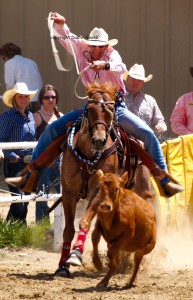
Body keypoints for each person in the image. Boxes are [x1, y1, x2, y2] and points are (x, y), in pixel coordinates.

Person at [5, 12, 183, 198]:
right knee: (52, 131)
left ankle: (164, 180)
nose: (97, 49)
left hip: (115, 108)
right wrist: (60, 25)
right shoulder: (81, 48)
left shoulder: (112, 54)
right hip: (91, 107)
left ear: (106, 46)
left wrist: (104, 65)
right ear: (88, 44)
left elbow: (121, 67)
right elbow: (67, 38)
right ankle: (29, 174)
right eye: (94, 46)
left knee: (147, 133)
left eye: (100, 46)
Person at [0, 82, 37, 223]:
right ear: (14, 98)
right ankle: (14, 228)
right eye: (20, 96)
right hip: (14, 164)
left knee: (25, 200)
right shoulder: (8, 117)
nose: (23, 99)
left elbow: (33, 138)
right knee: (19, 199)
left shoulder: (31, 116)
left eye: (26, 96)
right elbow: (0, 140)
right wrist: (12, 157)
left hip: (29, 164)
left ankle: (16, 228)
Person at [33, 84, 63, 223]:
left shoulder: (61, 116)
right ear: (41, 99)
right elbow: (32, 139)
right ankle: (42, 228)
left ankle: (61, 225)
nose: (50, 100)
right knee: (42, 195)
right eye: (47, 97)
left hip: (59, 163)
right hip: (43, 163)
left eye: (53, 97)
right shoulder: (37, 116)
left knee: (61, 194)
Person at [123, 64, 167, 142]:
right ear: (127, 79)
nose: (135, 82)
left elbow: (160, 121)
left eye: (139, 80)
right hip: (123, 141)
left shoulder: (150, 101)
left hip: (145, 142)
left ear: (142, 83)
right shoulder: (117, 98)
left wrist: (161, 126)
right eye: (133, 79)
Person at [0, 43, 43, 113]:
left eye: (3, 58)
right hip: (38, 100)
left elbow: (9, 84)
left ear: (6, 55)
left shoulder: (9, 63)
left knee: (21, 122)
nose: (4, 60)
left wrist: (10, 100)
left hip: (22, 100)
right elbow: (40, 82)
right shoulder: (32, 62)